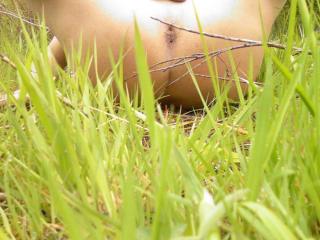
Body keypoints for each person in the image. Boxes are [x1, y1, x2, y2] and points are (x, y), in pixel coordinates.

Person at [21, 0, 287, 108]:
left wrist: (30, 87)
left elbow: (57, 51)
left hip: (114, 53)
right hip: (223, 57)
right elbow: (57, 49)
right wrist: (29, 87)